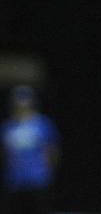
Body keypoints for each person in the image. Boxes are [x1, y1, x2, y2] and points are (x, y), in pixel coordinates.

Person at [1, 85, 59, 214]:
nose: (21, 104)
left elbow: (52, 150)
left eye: (25, 100)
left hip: (38, 179)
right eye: (18, 100)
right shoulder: (7, 126)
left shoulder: (43, 123)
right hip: (14, 180)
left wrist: (48, 171)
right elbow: (4, 153)